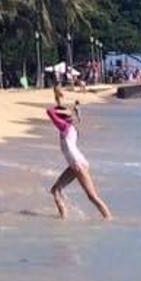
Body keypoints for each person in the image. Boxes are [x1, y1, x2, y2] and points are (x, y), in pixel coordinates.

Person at [46, 89, 111, 220]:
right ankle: (63, 218)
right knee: (55, 190)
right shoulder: (70, 128)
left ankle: (109, 219)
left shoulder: (65, 127)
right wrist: (60, 102)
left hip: (78, 164)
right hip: (75, 163)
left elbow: (50, 112)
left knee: (92, 196)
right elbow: (56, 110)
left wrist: (65, 111)